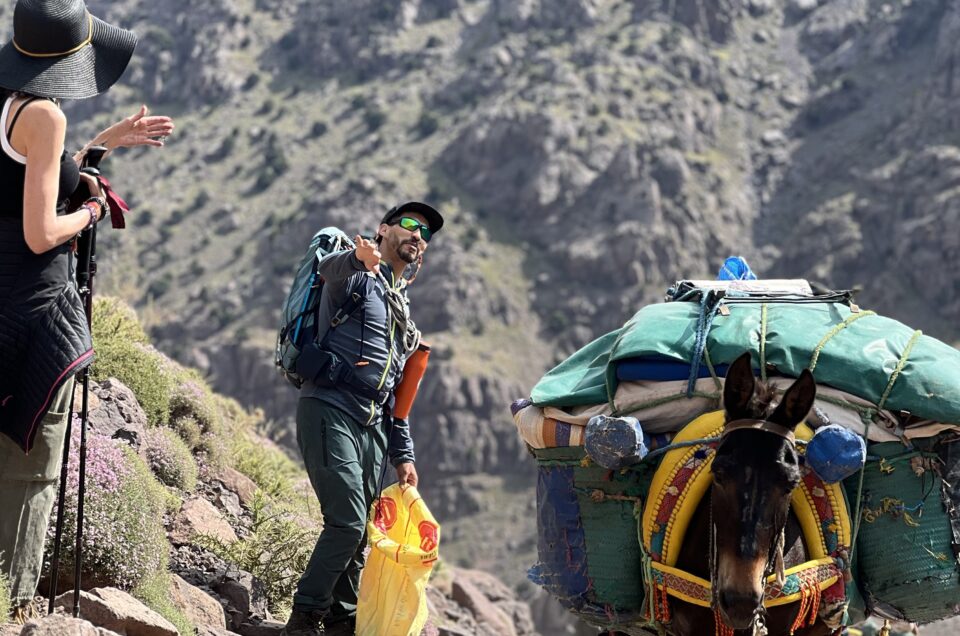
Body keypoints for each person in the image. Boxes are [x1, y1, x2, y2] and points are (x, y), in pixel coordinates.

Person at [0, 0, 174, 622]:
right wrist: (92, 212)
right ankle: (14, 609)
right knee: (33, 467)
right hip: (34, 315)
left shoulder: (8, 103)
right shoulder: (43, 114)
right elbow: (41, 230)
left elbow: (25, 176)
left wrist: (101, 146)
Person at [284, 202, 443, 636]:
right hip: (330, 408)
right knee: (347, 522)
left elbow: (396, 389)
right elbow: (329, 272)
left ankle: (342, 620)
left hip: (374, 425)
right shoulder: (355, 276)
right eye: (410, 225)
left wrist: (403, 455)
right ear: (384, 230)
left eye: (425, 233)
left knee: (362, 534)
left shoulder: (399, 307)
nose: (418, 235)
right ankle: (304, 618)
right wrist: (359, 258)